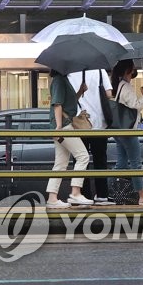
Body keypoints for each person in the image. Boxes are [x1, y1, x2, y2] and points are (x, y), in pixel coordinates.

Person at [110, 60, 143, 205]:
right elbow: (136, 105)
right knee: (136, 164)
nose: (135, 71)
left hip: (120, 131)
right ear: (128, 71)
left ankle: (102, 191)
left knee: (121, 164)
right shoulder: (126, 87)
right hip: (128, 131)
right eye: (133, 69)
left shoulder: (120, 85)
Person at [45, 69, 93, 209]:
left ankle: (52, 198)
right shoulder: (60, 80)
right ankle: (75, 192)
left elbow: (66, 103)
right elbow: (57, 104)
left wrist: (79, 91)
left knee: (60, 162)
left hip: (61, 125)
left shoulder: (61, 80)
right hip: (64, 126)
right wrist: (59, 127)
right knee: (83, 156)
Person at [68, 69, 113, 205]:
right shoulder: (100, 71)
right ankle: (102, 195)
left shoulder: (69, 73)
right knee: (100, 159)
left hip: (78, 122)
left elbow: (69, 98)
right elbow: (108, 94)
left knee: (80, 160)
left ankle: (82, 194)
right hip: (98, 123)